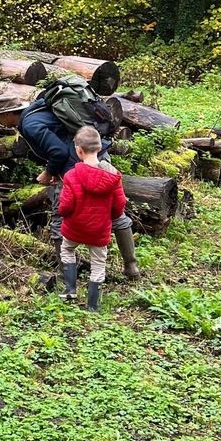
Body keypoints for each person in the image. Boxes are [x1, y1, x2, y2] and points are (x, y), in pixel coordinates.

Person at [19, 84, 141, 280]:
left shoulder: (30, 124)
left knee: (59, 218)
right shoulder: (44, 104)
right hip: (99, 155)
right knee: (114, 212)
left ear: (7, 115)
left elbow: (58, 151)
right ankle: (131, 266)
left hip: (73, 166)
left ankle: (66, 274)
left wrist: (48, 173)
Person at [58, 126, 127, 311]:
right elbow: (119, 205)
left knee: (67, 249)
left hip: (75, 227)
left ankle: (70, 289)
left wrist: (63, 213)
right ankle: (92, 306)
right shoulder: (113, 175)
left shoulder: (71, 175)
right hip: (99, 229)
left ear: (78, 150)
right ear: (99, 148)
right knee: (98, 264)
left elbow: (65, 205)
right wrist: (108, 218)